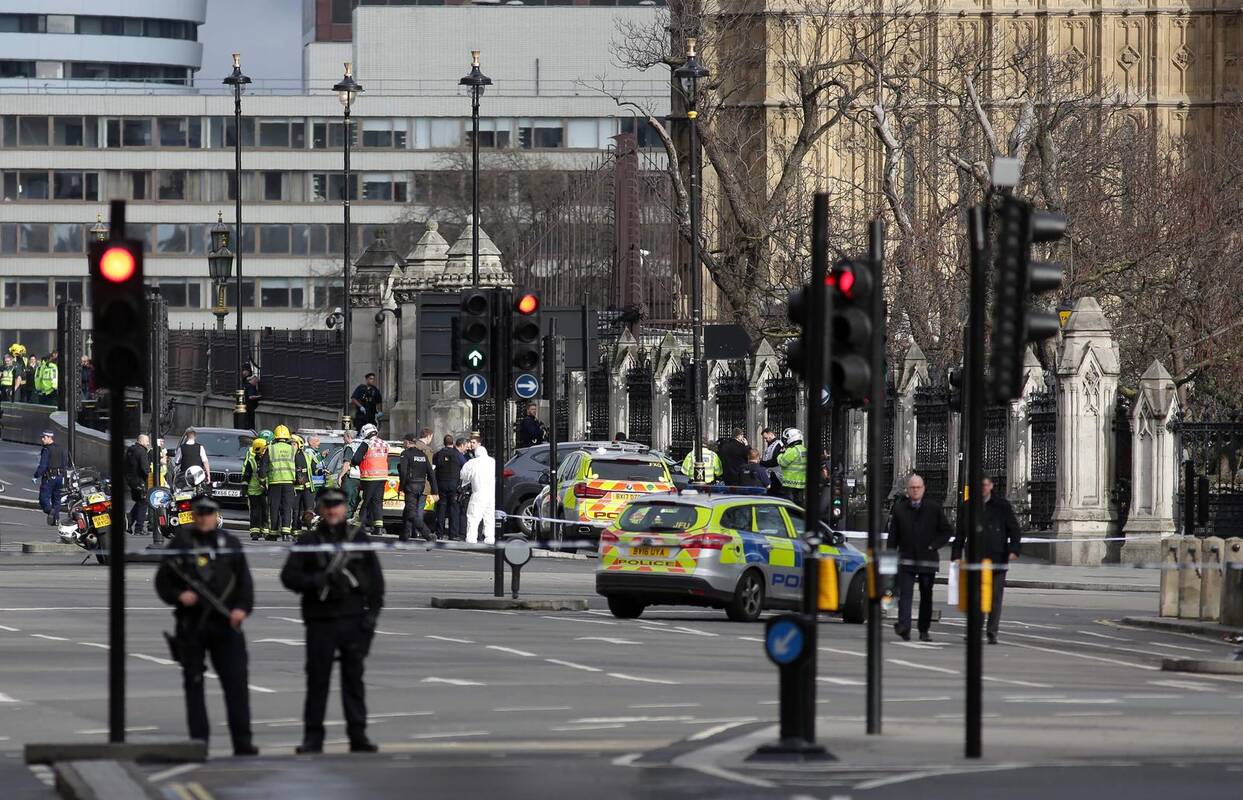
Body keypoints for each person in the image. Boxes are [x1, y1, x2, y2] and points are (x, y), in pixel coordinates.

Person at [279, 488, 384, 755]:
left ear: (344, 508)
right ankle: (313, 738)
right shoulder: (309, 540)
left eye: (337, 504)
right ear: (320, 509)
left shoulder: (358, 539)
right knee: (318, 681)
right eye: (327, 505)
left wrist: (371, 619)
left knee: (353, 681)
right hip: (320, 619)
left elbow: (376, 582)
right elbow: (289, 576)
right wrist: (317, 581)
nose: (332, 509)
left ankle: (358, 735)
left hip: (352, 619)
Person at [154, 497, 257, 757]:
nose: (203, 517)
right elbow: (163, 582)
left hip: (225, 623)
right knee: (194, 683)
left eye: (208, 512)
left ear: (216, 515)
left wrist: (241, 610)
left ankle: (242, 742)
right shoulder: (181, 543)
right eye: (199, 512)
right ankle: (198, 743)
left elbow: (245, 583)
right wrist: (179, 596)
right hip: (193, 623)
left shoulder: (229, 543)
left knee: (236, 683)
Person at [952, 476, 1021, 644]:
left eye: (985, 485)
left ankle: (992, 631)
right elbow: (960, 533)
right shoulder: (968, 506)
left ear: (991, 486)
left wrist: (1014, 550)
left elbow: (1014, 529)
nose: (983, 488)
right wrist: (956, 555)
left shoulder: (1002, 506)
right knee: (976, 598)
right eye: (980, 485)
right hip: (975, 558)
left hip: (997, 556)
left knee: (995, 598)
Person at [887, 473, 953, 642]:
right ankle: (904, 627)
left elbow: (946, 531)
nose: (915, 490)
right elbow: (892, 538)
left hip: (927, 559)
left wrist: (934, 545)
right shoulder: (900, 509)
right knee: (905, 594)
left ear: (923, 489)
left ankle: (924, 630)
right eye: (912, 488)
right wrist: (890, 559)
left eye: (918, 487)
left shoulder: (933, 508)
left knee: (926, 596)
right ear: (908, 490)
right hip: (906, 559)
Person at [350, 423, 390, 536]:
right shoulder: (384, 443)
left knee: (365, 502)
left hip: (369, 477)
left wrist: (356, 463)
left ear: (365, 433)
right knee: (378, 502)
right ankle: (378, 528)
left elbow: (356, 459)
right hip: (382, 477)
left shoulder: (366, 443)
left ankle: (358, 526)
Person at [398, 431, 437, 542]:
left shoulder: (406, 454)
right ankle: (404, 537)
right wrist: (435, 491)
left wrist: (401, 488)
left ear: (407, 442)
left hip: (410, 486)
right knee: (408, 511)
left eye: (404, 442)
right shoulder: (422, 455)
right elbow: (431, 473)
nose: (403, 444)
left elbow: (403, 472)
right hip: (421, 486)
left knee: (411, 513)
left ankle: (428, 534)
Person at [262, 425, 297, 540]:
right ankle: (286, 533)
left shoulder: (270, 449)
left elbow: (263, 466)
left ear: (275, 437)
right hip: (289, 483)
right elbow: (298, 466)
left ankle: (273, 533)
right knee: (287, 507)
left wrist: (262, 480)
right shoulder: (292, 449)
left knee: (274, 508)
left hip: (274, 482)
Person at [459, 443, 496, 545]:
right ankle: (490, 538)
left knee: (473, 517)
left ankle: (471, 538)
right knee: (489, 517)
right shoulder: (493, 462)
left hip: (478, 493)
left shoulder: (472, 463)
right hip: (491, 494)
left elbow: (463, 475)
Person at [34, 429, 71, 526]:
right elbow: (65, 463)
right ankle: (56, 520)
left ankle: (50, 511)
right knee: (57, 500)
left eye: (44, 437)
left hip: (49, 478)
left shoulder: (46, 449)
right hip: (59, 477)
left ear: (49, 438)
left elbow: (43, 465)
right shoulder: (61, 448)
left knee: (43, 499)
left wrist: (36, 475)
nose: (42, 439)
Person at [433, 435, 465, 540]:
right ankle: (453, 534)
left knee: (441, 509)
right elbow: (465, 466)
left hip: (441, 484)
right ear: (453, 443)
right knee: (454, 509)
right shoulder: (458, 454)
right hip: (454, 485)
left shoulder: (438, 454)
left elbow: (434, 466)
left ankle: (439, 533)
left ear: (444, 443)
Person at [242, 437, 269, 540]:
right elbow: (246, 476)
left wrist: (244, 490)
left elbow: (246, 477)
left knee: (258, 512)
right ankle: (259, 531)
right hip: (260, 490)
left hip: (256, 491)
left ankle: (258, 532)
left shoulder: (252, 461)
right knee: (261, 512)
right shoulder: (264, 461)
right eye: (265, 448)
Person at [124, 434, 152, 535]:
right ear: (141, 441)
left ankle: (128, 523)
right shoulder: (142, 451)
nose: (148, 443)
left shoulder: (130, 450)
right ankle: (139, 529)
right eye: (147, 441)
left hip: (132, 481)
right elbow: (145, 469)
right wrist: (150, 473)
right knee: (143, 503)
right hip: (140, 482)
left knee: (140, 502)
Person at [776, 428, 808, 506]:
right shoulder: (804, 450)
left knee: (789, 505)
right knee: (799, 505)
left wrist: (780, 454)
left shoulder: (792, 450)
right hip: (801, 483)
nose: (786, 440)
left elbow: (782, 462)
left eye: (786, 438)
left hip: (790, 484)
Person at [338, 429, 362, 516]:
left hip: (350, 477)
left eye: (344, 437)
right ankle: (351, 516)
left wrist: (340, 476)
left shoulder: (349, 447)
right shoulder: (360, 446)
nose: (343, 439)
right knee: (354, 499)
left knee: (346, 499)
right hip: (359, 476)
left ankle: (346, 518)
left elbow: (346, 463)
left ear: (348, 437)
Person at [760, 428, 785, 497]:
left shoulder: (778, 444)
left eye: (766, 438)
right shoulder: (771, 445)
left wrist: (762, 462)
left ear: (770, 434)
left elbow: (776, 461)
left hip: (776, 475)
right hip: (770, 474)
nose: (766, 440)